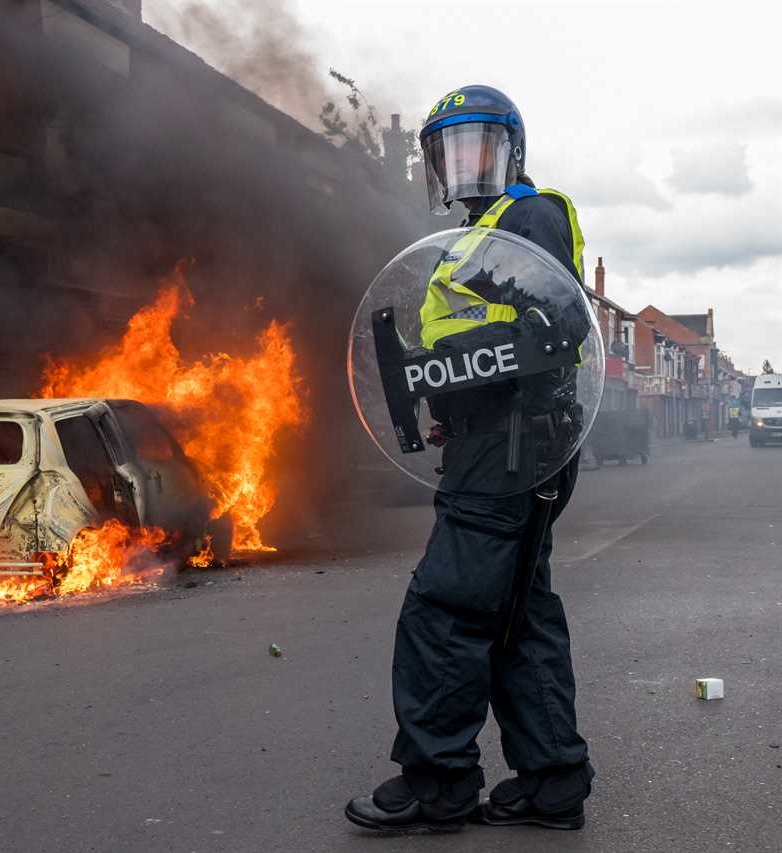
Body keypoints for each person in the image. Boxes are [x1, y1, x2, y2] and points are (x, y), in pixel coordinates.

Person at [345, 85, 596, 833]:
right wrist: (447, 397)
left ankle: (438, 781)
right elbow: (498, 339)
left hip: (510, 448)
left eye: (478, 146)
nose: (463, 165)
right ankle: (553, 781)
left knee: (447, 607)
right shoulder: (478, 234)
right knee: (519, 614)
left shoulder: (527, 217)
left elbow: (552, 331)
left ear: (511, 151)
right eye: (449, 151)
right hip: (508, 442)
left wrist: (447, 366)